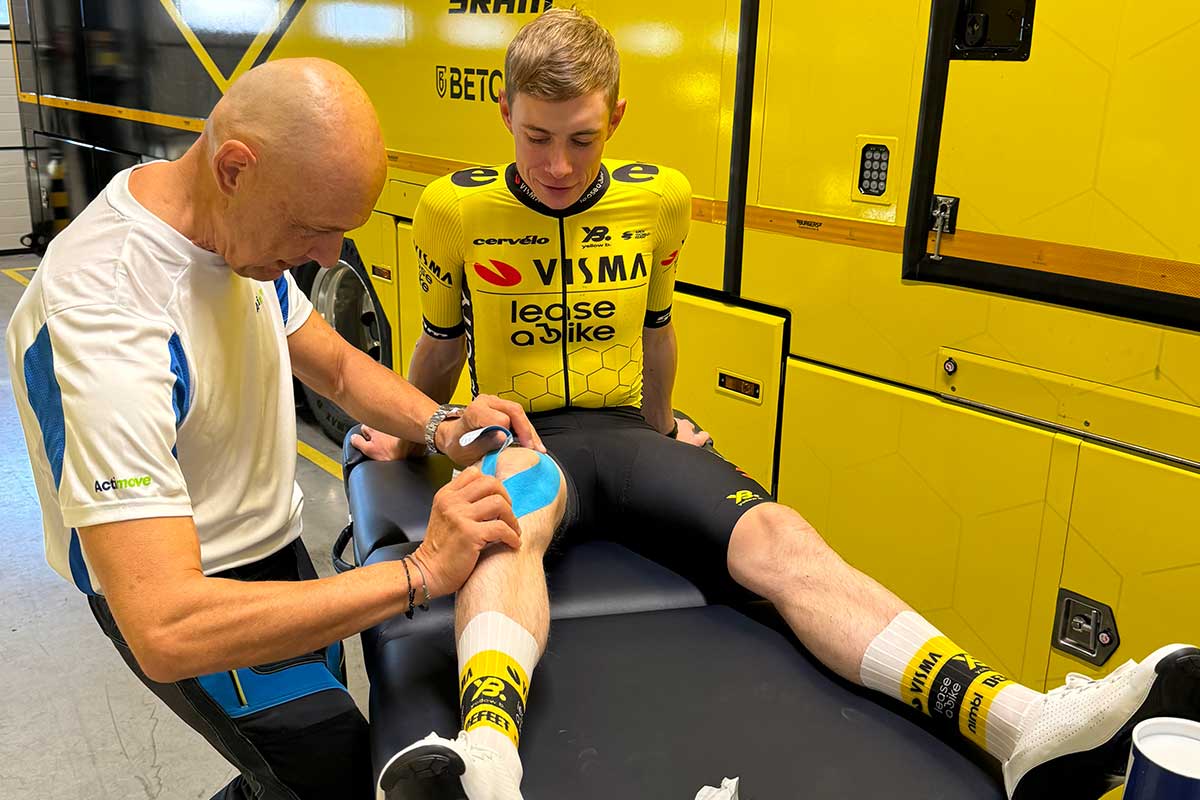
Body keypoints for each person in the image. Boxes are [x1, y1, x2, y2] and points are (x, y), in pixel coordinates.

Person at [352, 9, 1200, 800]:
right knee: (505, 524)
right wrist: (409, 431)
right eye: (538, 137)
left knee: (783, 537)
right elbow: (442, 340)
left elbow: (656, 330)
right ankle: (488, 763)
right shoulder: (452, 209)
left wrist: (664, 427)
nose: (560, 165)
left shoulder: (659, 199)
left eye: (581, 138)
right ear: (504, 112)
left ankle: (1019, 723)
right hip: (531, 439)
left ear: (617, 117)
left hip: (628, 435)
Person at [5, 58, 549, 800]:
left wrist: (443, 423)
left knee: (288, 783)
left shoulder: (232, 232)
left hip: (276, 549)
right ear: (236, 168)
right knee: (344, 782)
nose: (326, 257)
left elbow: (336, 368)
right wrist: (420, 573)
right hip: (203, 601)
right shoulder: (104, 315)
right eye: (315, 229)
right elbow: (165, 626)